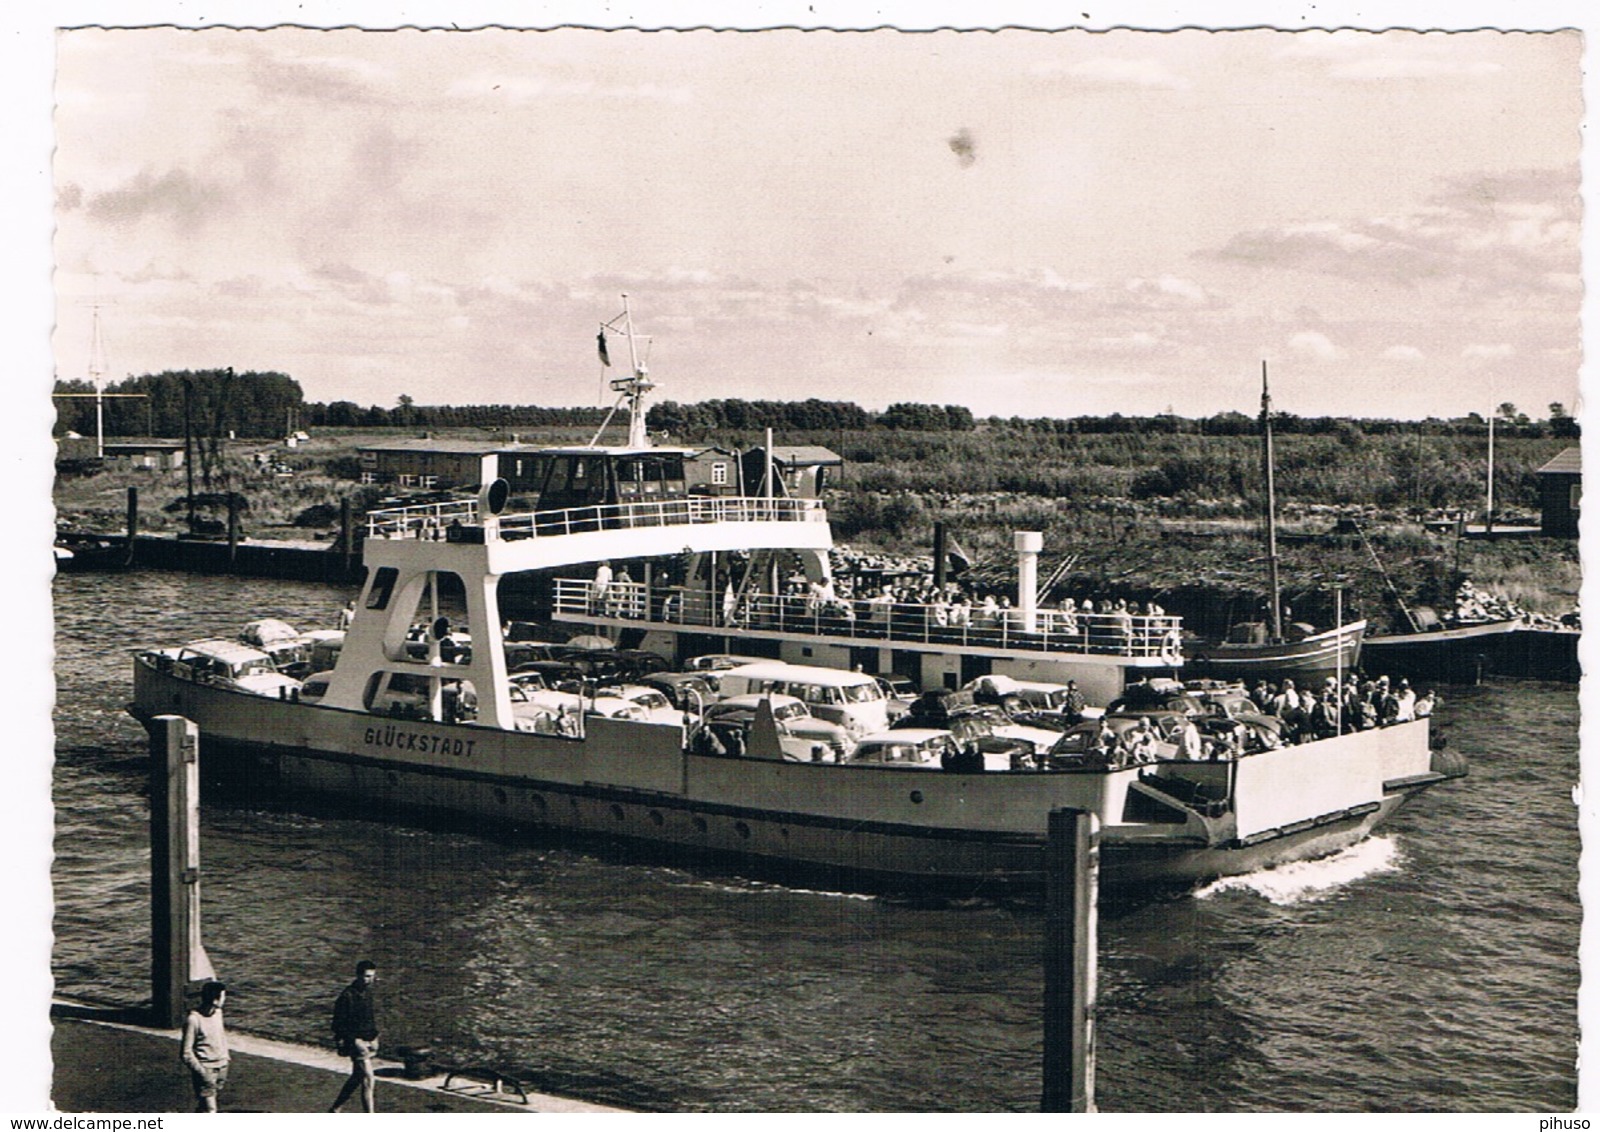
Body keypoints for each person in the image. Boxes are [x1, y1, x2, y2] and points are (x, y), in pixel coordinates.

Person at [330, 960, 380, 1113]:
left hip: (367, 1041)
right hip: (356, 1043)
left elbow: (369, 1019)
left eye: (372, 977)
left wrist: (375, 1037)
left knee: (357, 1077)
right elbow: (338, 1024)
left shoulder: (367, 993)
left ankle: (335, 1109)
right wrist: (354, 1040)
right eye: (366, 976)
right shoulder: (347, 996)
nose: (369, 980)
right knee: (369, 1079)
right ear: (358, 975)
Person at [181, 980, 230, 1113]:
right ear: (215, 1000)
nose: (225, 1000)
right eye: (223, 996)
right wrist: (202, 1073)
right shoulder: (193, 1020)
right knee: (211, 1110)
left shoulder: (218, 1013)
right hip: (206, 1069)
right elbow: (186, 1053)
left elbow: (220, 1036)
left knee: (205, 1106)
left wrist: (226, 1059)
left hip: (222, 1066)